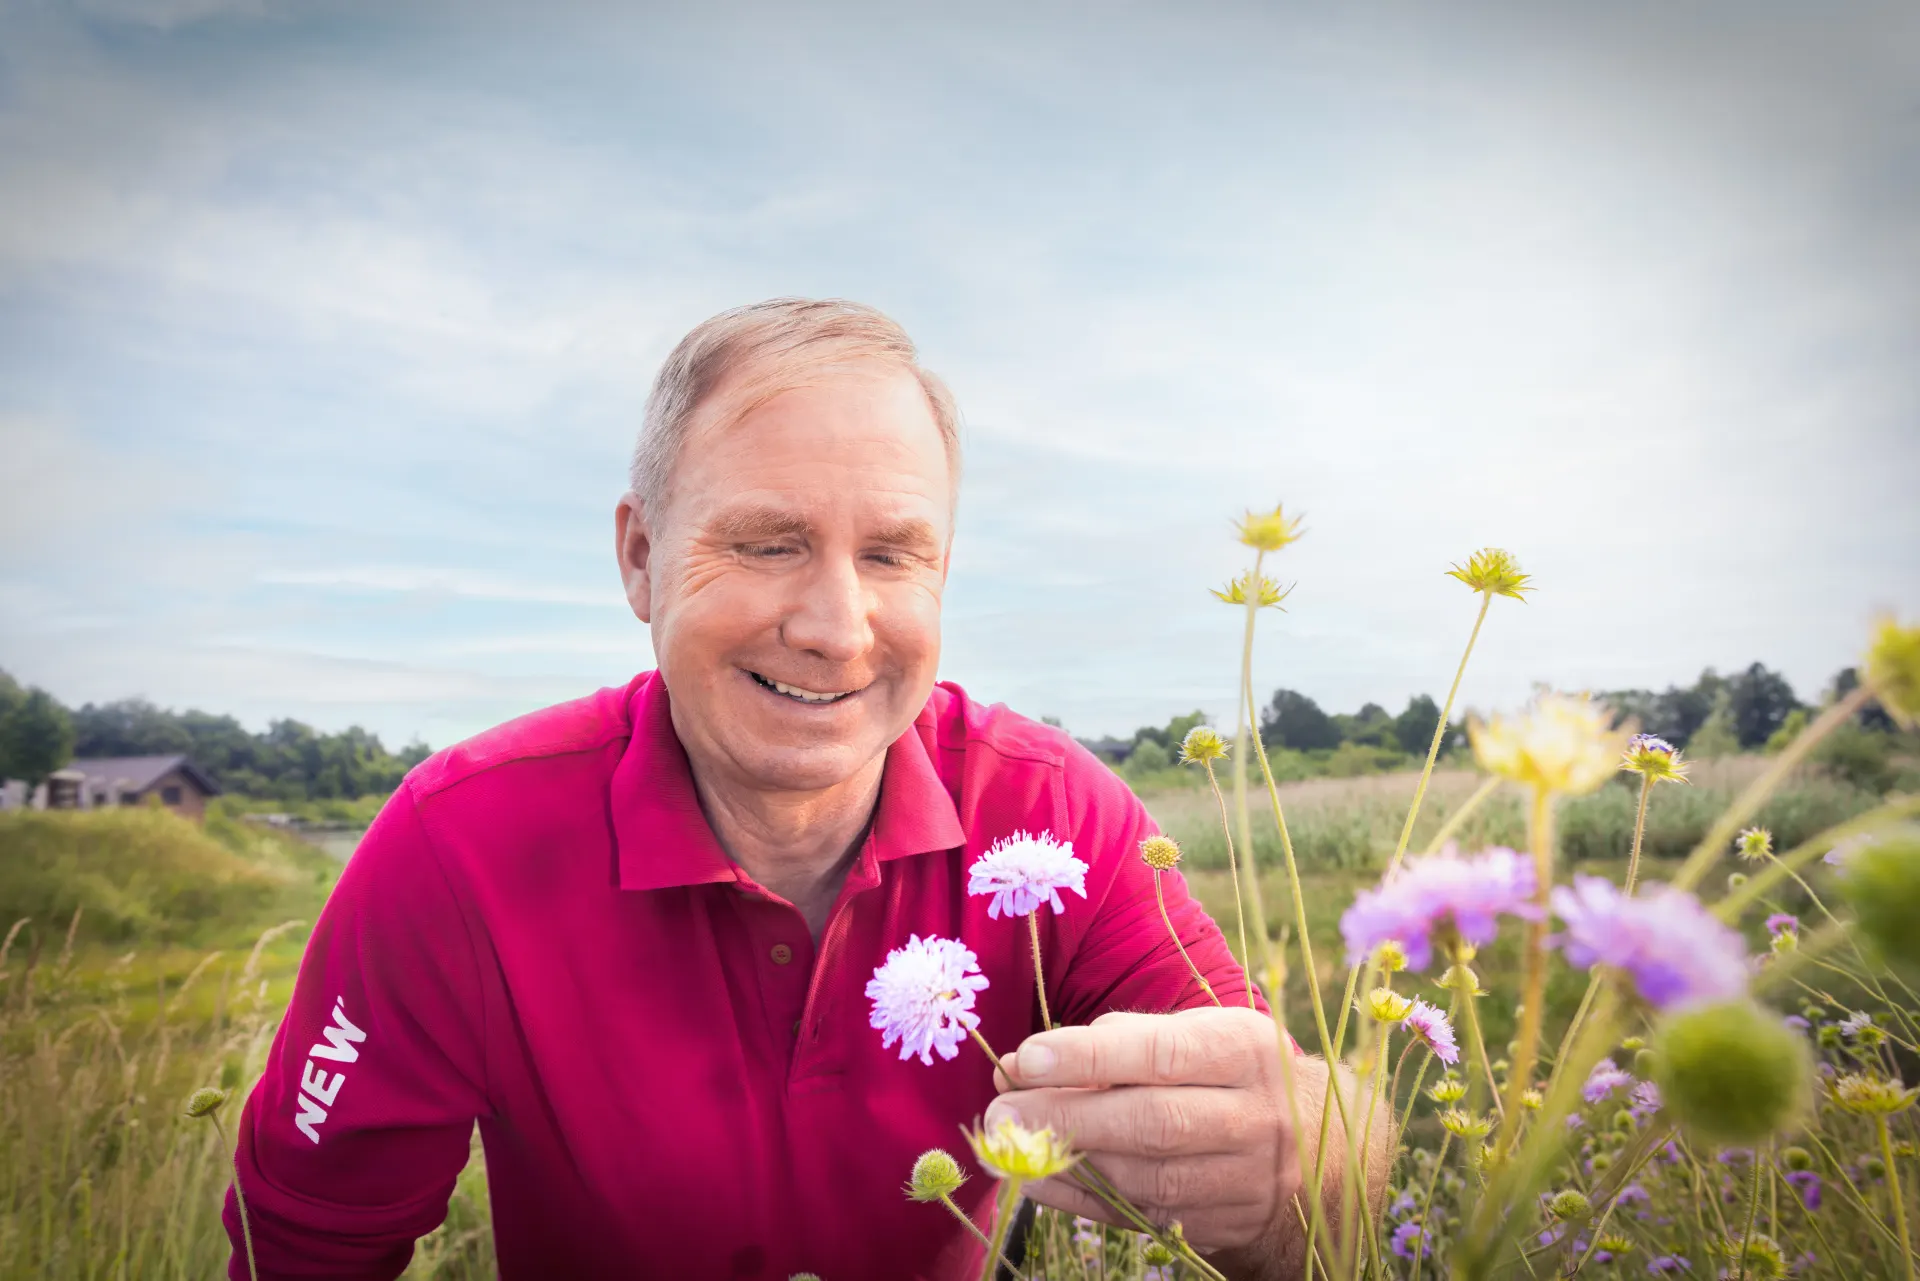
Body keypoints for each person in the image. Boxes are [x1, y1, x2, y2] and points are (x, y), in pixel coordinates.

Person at [223, 298, 1386, 1281]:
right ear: (639, 559)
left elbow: (1296, 1169)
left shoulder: (1053, 821)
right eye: (768, 543)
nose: (837, 628)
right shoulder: (457, 845)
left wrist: (1323, 1161)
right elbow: (309, 1247)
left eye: (891, 554)